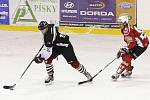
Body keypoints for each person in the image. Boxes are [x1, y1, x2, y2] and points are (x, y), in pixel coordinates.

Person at [111, 16, 149, 81]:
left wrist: (125, 49)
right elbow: (131, 41)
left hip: (141, 45)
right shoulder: (126, 28)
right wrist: (124, 49)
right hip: (140, 43)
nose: (119, 25)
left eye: (120, 23)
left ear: (125, 23)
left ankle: (117, 74)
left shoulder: (127, 30)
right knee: (124, 55)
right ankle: (128, 70)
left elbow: (132, 43)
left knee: (127, 56)